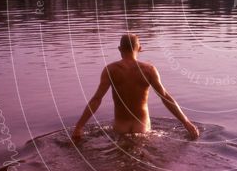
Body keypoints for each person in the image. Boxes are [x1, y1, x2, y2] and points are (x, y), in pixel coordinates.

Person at [71, 33, 200, 142]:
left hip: (120, 130)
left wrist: (79, 127)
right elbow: (165, 97)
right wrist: (186, 122)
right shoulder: (149, 70)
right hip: (142, 129)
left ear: (119, 49)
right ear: (140, 48)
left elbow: (96, 99)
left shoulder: (111, 70)